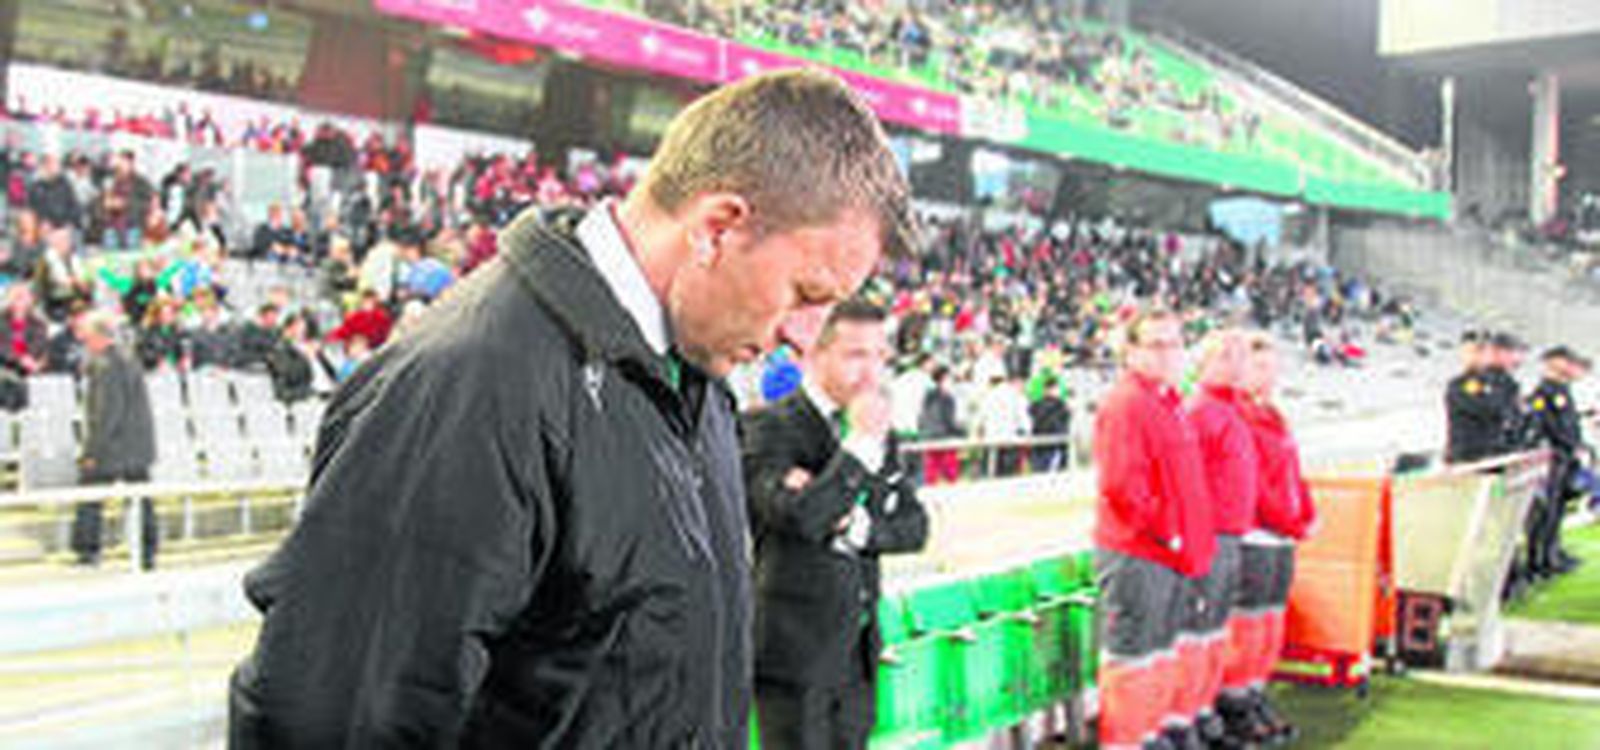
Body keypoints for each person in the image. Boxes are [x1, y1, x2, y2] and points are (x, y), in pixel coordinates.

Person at [228, 68, 913, 747]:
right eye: (805, 292)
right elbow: (330, 723)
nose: (805, 336)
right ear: (717, 228)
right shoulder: (470, 387)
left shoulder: (692, 376)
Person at [742, 300, 928, 750]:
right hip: (794, 658)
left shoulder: (884, 433)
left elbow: (914, 526)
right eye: (855, 355)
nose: (871, 373)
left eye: (880, 356)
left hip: (858, 654)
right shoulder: (767, 427)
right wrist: (860, 447)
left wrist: (858, 529)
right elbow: (804, 518)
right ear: (814, 354)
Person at [1094, 309, 1214, 750]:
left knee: (1160, 653)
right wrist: (1173, 533)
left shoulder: (1169, 403)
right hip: (1138, 553)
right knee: (1133, 658)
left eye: (1174, 344)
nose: (1167, 355)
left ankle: (1149, 733)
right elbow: (1123, 488)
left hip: (1166, 553)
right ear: (1130, 353)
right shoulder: (1127, 403)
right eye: (1155, 345)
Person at [1232, 331, 1317, 744]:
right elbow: (1254, 485)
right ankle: (1237, 704)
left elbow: (1292, 471)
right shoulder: (1240, 416)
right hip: (1255, 533)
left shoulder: (1274, 415)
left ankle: (1255, 692)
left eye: (1272, 365)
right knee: (1246, 625)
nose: (1269, 374)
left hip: (1280, 533)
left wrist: (1306, 511)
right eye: (1259, 365)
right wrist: (1290, 520)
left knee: (1269, 623)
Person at [1187, 331, 1262, 747]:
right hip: (1212, 536)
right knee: (1200, 632)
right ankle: (1192, 718)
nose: (1237, 363)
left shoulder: (1230, 411)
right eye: (1227, 356)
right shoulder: (1202, 411)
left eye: (1240, 355)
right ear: (1207, 362)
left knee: (1214, 631)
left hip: (1231, 533)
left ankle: (1205, 714)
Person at [71, 310, 158, 569]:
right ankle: (147, 553)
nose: (85, 343)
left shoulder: (105, 365)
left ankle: (87, 551)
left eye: (87, 338)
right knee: (142, 501)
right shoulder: (129, 359)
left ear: (98, 336)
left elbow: (105, 413)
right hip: (138, 446)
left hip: (113, 447)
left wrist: (90, 452)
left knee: (90, 497)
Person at [1524, 346, 1593, 578]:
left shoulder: (1562, 391)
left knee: (1557, 510)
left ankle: (1552, 554)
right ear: (1553, 363)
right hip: (1552, 459)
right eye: (1569, 362)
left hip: (1564, 458)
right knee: (1546, 511)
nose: (1573, 368)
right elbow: (1547, 426)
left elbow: (1568, 425)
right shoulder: (1544, 393)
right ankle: (1540, 560)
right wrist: (1571, 445)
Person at [1445, 330, 1518, 464]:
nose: (1477, 356)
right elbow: (1489, 409)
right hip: (1468, 460)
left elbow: (1511, 414)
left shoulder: (1500, 383)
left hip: (1495, 456)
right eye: (1472, 351)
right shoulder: (1459, 385)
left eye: (1483, 351)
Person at [918, 363, 963, 485]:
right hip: (942, 438)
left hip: (930, 437)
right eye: (950, 378)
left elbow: (922, 418)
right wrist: (961, 432)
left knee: (931, 475)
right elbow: (947, 420)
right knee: (949, 474)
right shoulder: (945, 397)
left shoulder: (928, 395)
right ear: (944, 378)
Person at [1028, 371, 1072, 473]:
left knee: (1038, 474)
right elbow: (1064, 423)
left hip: (1038, 444)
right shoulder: (1061, 406)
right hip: (1055, 443)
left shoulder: (1035, 405)